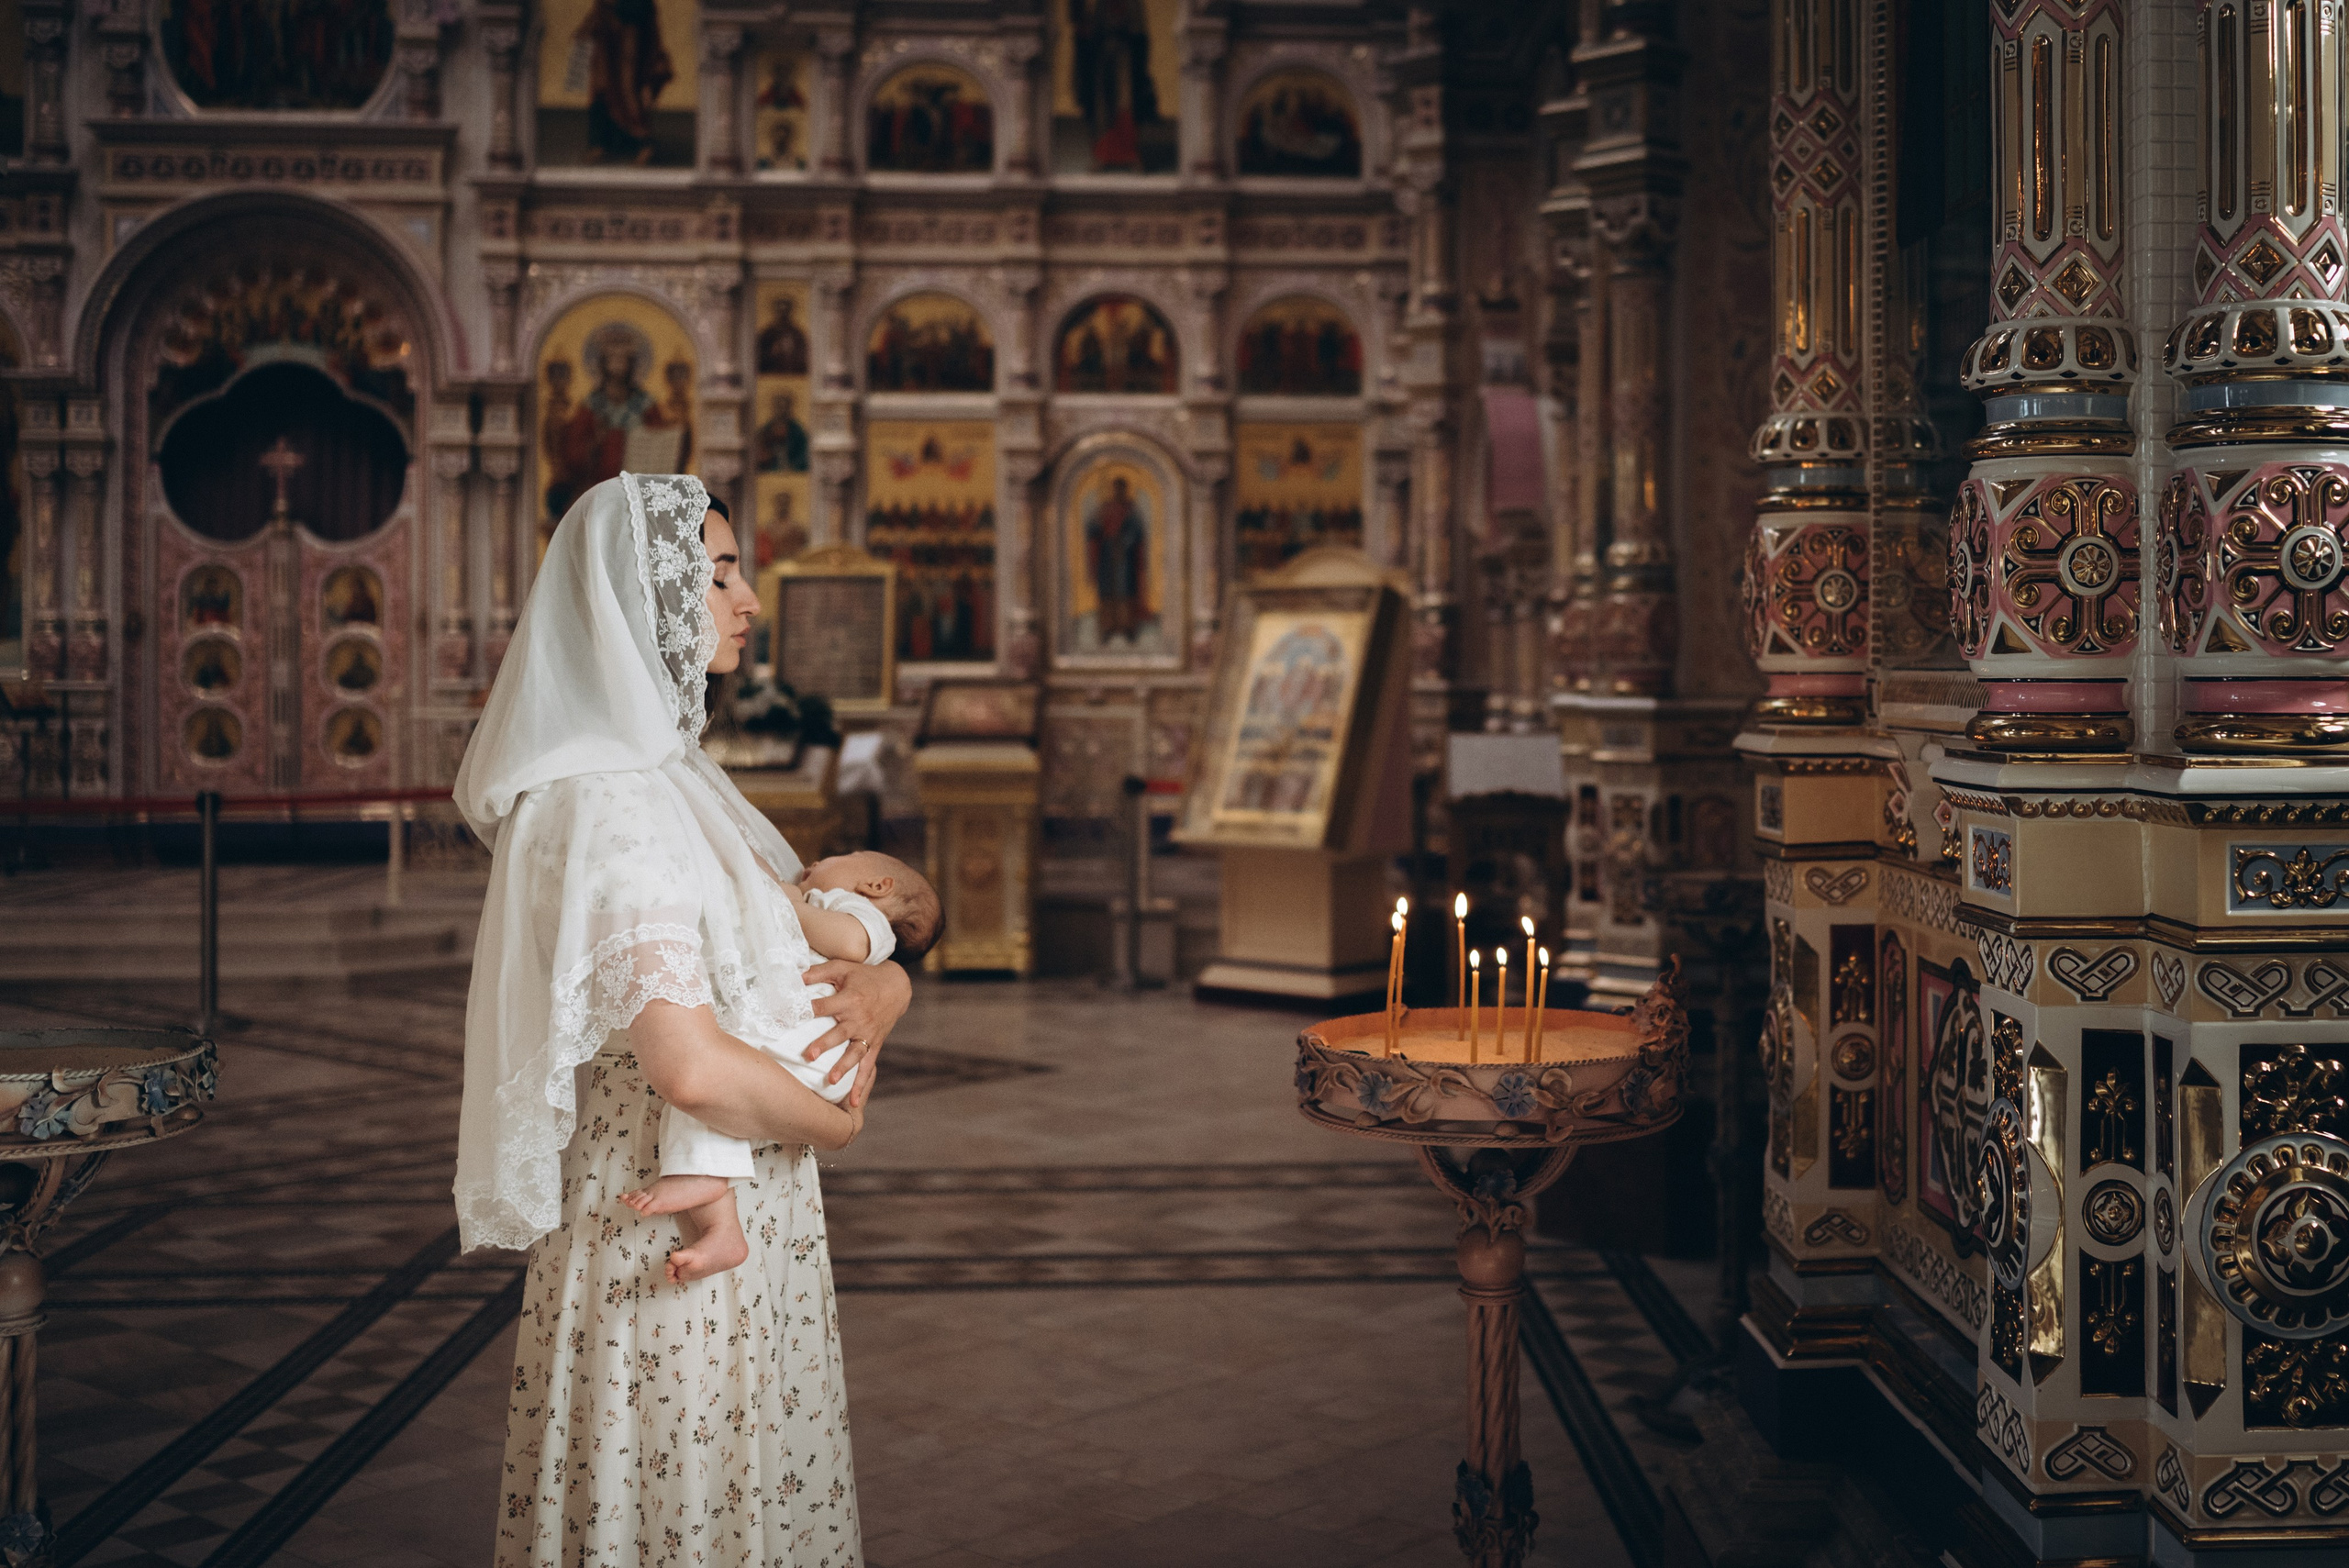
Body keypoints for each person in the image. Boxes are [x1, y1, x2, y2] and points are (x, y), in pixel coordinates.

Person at [456, 473, 908, 1565]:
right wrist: (838, 1123)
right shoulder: (604, 797)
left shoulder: (673, 774)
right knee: (681, 1500)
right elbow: (692, 1064)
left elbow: (799, 932)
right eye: (715, 573)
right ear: (633, 596)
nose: (747, 599)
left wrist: (889, 985)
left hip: (742, 1177)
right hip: (653, 1210)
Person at [623, 850, 941, 1282]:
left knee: (711, 1068)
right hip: (807, 1048)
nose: (817, 861)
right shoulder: (822, 905)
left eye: (844, 855)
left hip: (812, 1044)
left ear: (877, 886)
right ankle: (721, 1226)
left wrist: (783, 902)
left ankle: (708, 1194)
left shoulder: (856, 914)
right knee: (715, 1103)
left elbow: (852, 942)